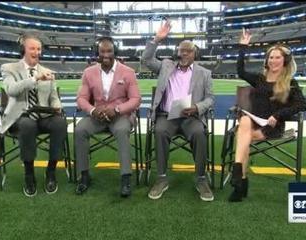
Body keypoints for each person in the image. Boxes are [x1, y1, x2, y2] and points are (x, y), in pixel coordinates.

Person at [229, 28, 306, 202]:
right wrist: (242, 47)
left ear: (285, 61)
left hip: (271, 126)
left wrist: (278, 115)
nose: (273, 60)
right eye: (270, 57)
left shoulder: (290, 83)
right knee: (246, 121)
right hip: (252, 122)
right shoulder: (259, 79)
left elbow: (302, 104)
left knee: (243, 135)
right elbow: (240, 72)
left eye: (277, 57)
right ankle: (239, 175)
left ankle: (240, 178)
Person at [141, 20, 215, 201]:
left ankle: (201, 178)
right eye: (181, 50)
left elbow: (211, 99)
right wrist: (157, 39)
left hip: (191, 117)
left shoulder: (204, 73)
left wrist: (197, 107)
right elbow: (146, 59)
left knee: (199, 133)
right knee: (159, 131)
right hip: (167, 116)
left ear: (194, 54)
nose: (183, 53)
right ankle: (161, 178)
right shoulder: (166, 65)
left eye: (188, 50)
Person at [0, 33, 67, 197]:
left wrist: (57, 107)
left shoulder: (47, 71)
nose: (36, 52)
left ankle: (51, 171)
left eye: (39, 49)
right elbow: (12, 90)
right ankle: (29, 174)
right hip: (18, 118)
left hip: (42, 117)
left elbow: (53, 98)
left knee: (60, 123)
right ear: (23, 49)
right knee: (27, 124)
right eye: (32, 48)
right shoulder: (9, 68)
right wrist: (35, 78)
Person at [75, 36, 141, 197]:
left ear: (115, 52)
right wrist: (92, 110)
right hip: (97, 116)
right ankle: (84, 175)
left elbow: (136, 99)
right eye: (102, 51)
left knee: (121, 130)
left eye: (109, 51)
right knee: (79, 130)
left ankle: (126, 177)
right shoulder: (88, 72)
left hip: (120, 116)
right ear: (97, 53)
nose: (105, 54)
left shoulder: (128, 72)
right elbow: (81, 98)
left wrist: (117, 110)